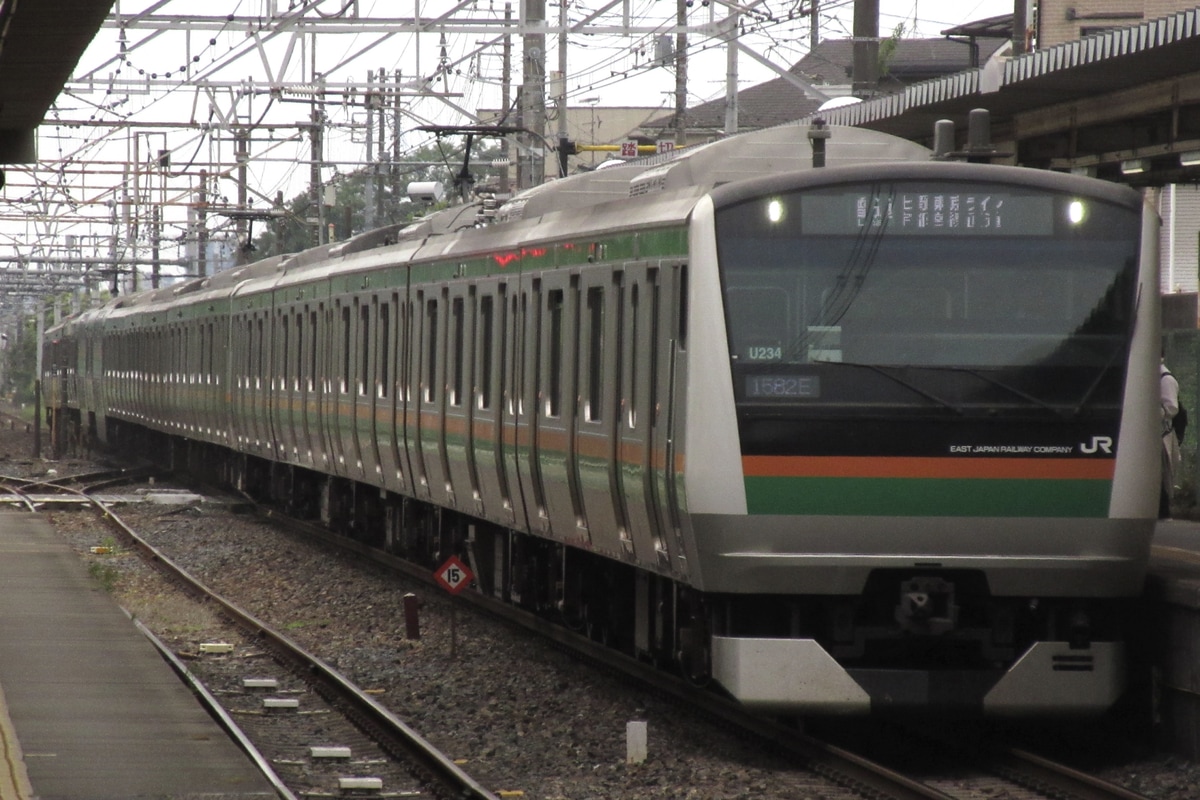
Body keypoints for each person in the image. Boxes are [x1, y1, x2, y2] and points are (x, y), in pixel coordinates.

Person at [1161, 359, 1181, 519]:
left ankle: (1163, 509)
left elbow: (1171, 408)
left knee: (1162, 472)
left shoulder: (1165, 379)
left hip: (1162, 434)